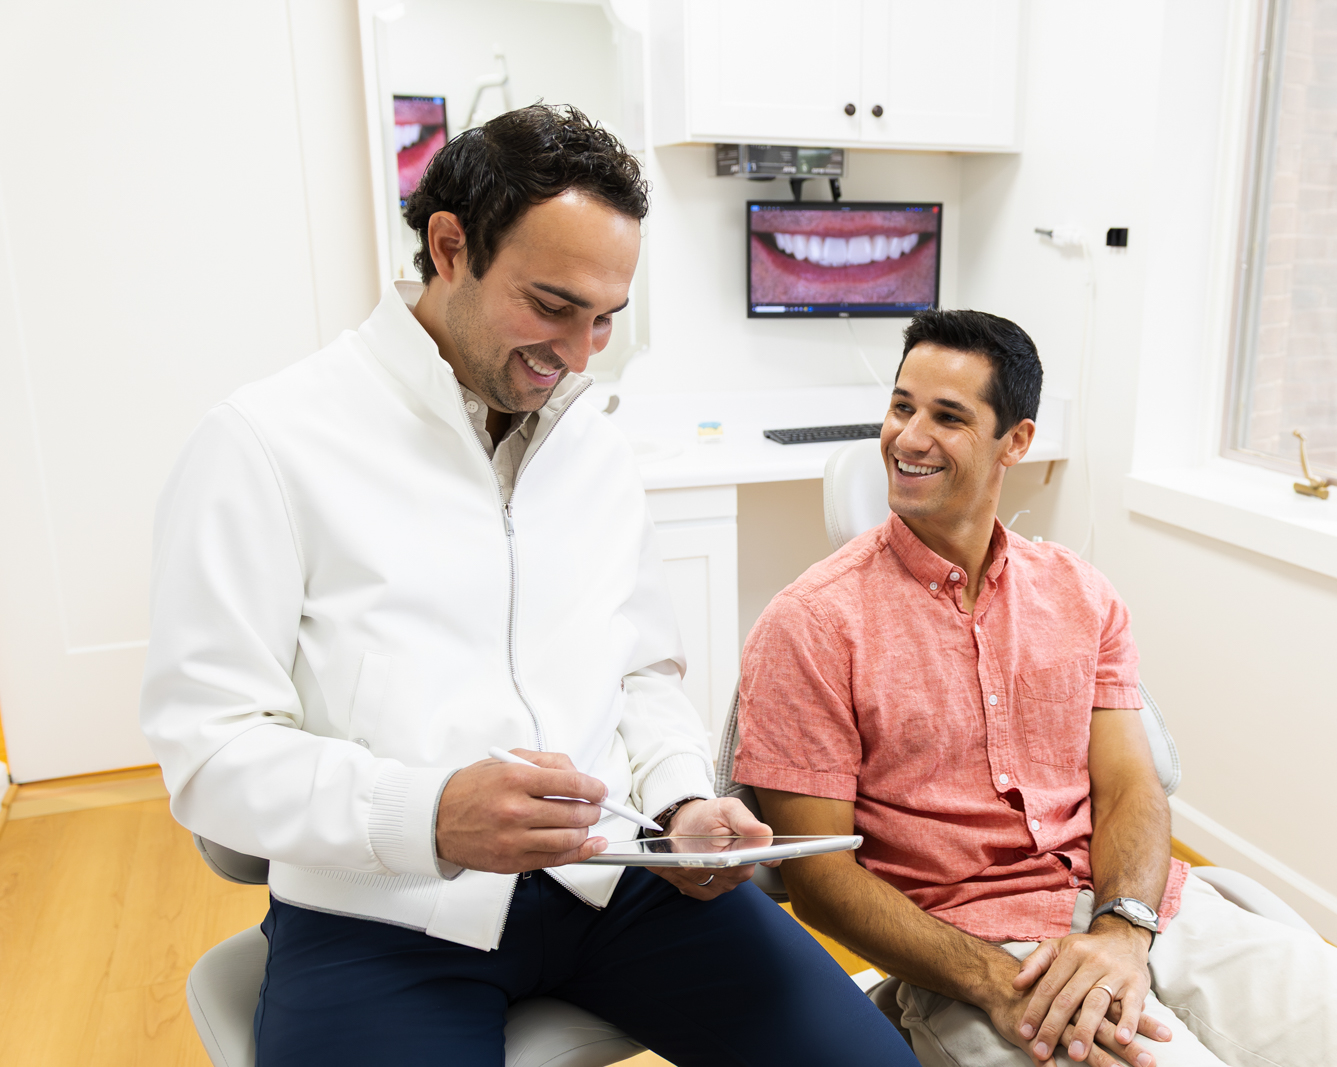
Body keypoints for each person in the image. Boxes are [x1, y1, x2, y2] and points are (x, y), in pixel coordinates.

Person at [141, 105, 919, 1067]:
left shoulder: (591, 442)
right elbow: (210, 752)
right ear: (450, 247)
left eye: (606, 319)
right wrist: (429, 812)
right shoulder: (266, 442)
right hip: (383, 912)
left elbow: (641, 673)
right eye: (552, 306)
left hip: (615, 883)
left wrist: (681, 804)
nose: (581, 353)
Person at [732, 309, 1337, 1067]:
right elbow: (820, 881)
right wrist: (992, 984)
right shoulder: (811, 623)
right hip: (988, 956)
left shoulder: (1078, 594)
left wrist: (1125, 928)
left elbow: (1130, 784)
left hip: (1151, 918)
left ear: (1017, 441)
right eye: (901, 406)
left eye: (948, 416)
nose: (908, 437)